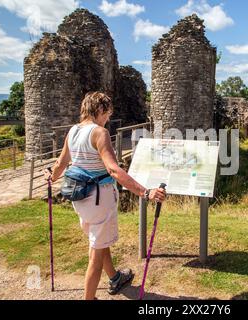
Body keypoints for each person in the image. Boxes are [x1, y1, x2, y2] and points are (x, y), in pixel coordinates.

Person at [44, 92, 166, 300]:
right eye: (107, 114)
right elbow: (114, 170)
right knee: (95, 256)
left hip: (80, 198)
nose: (108, 119)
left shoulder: (73, 131)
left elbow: (61, 163)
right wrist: (146, 192)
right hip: (99, 199)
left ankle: (115, 277)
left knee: (99, 242)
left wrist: (52, 177)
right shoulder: (99, 133)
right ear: (100, 110)